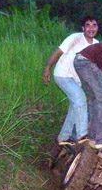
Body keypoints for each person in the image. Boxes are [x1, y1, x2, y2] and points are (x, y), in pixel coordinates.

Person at [42, 16, 99, 145]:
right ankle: (82, 134)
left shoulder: (96, 44)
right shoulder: (75, 38)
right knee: (80, 99)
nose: (91, 28)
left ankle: (63, 137)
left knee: (74, 107)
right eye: (88, 25)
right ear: (83, 28)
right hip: (63, 74)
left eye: (94, 25)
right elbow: (58, 52)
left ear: (97, 28)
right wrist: (47, 68)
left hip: (76, 80)